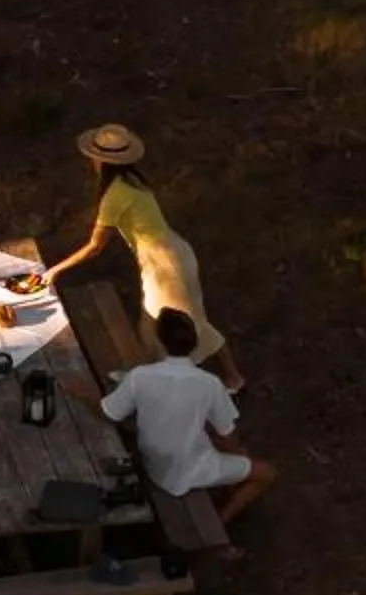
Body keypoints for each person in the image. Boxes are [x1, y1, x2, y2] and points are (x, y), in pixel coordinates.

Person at [38, 122, 243, 393]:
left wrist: (56, 270)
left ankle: (226, 379)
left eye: (93, 157)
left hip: (167, 265)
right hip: (170, 255)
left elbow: (95, 246)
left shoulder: (115, 195)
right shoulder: (133, 180)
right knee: (152, 324)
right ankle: (142, 374)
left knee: (180, 323)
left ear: (101, 161)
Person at [95, 308, 274, 528]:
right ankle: (220, 522)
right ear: (194, 344)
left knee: (217, 445)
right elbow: (228, 435)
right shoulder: (209, 384)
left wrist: (85, 395)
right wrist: (238, 454)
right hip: (184, 472)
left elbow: (109, 412)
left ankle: (225, 489)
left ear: (160, 341)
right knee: (266, 472)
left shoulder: (139, 376)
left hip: (153, 461)